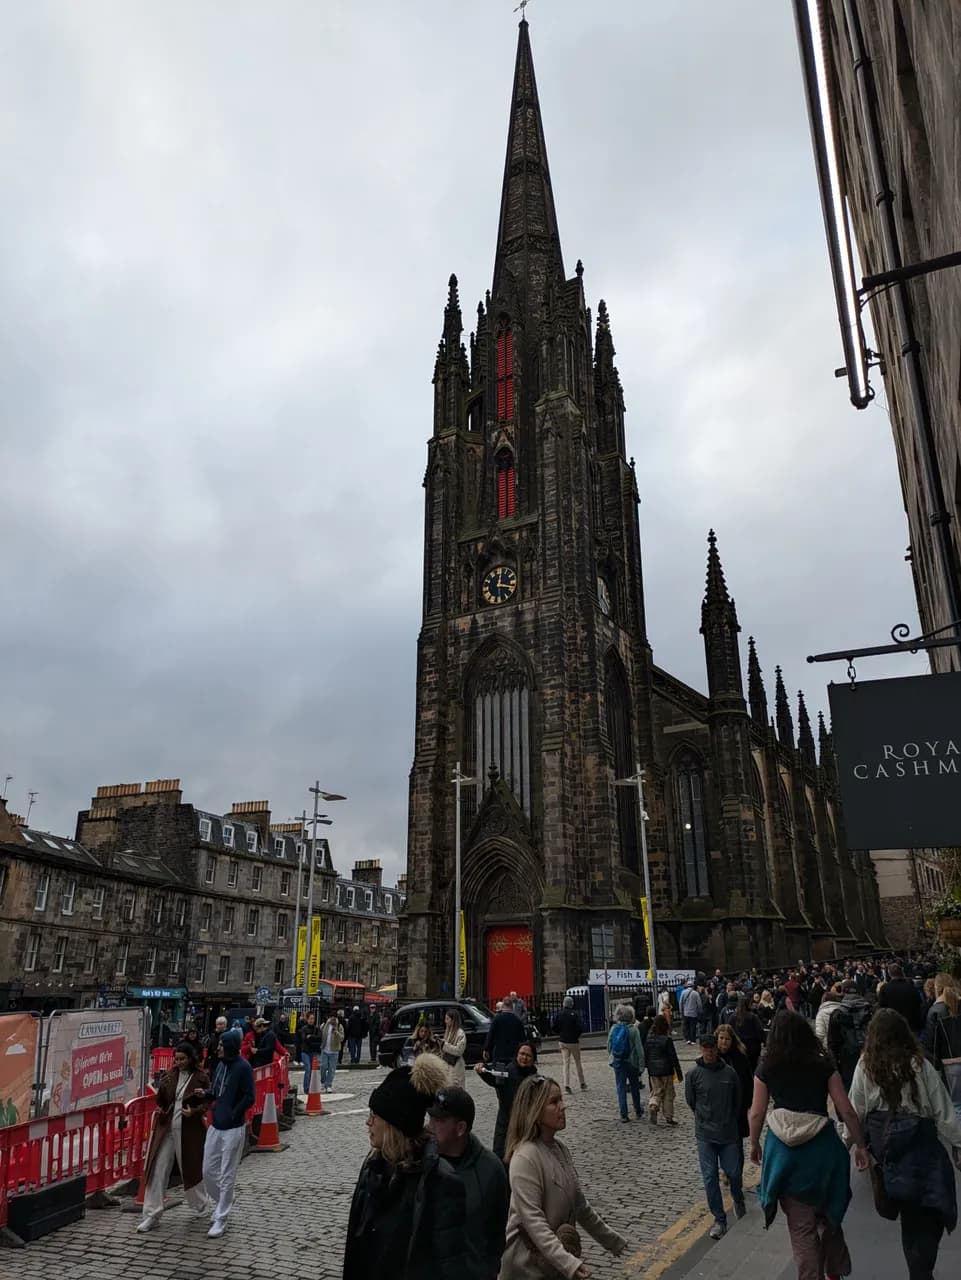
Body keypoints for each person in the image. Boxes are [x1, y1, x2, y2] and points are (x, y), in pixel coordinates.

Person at [750, 1010, 867, 1280]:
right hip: (823, 1150)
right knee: (829, 1215)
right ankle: (834, 1270)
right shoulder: (822, 1063)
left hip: (786, 1156)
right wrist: (860, 1144)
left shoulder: (766, 1067)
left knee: (801, 1229)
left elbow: (756, 1112)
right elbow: (845, 1108)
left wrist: (754, 1143)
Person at [849, 1008, 961, 1280]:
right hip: (922, 1151)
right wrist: (958, 1143)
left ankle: (919, 1268)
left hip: (889, 1156)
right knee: (930, 1210)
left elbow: (855, 1109)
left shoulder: (865, 1065)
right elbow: (943, 1112)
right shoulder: (919, 1064)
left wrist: (854, 1145)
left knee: (910, 1218)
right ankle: (921, 1269)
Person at [343, 1055, 466, 1279]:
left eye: (374, 1116)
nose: (368, 1123)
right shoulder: (372, 1166)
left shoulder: (440, 1181)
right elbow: (356, 1245)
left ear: (394, 1125)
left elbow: (448, 1265)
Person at [499, 1075, 627, 1278]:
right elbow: (533, 1221)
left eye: (561, 1099)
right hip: (526, 1268)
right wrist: (569, 1264)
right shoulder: (525, 1157)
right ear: (535, 1110)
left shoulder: (560, 1149)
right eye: (554, 1102)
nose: (563, 1106)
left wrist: (611, 1240)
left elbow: (580, 1205)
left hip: (551, 1265)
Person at [428, 1086, 509, 1280]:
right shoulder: (422, 1163)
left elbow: (497, 1231)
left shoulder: (491, 1169)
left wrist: (487, 1269)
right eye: (430, 1118)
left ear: (460, 1128)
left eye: (439, 1120)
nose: (430, 1125)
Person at [137, 1041, 211, 1232]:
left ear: (190, 1058)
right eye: (176, 1059)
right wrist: (162, 1087)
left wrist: (194, 1111)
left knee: (191, 1167)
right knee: (158, 1168)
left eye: (182, 1059)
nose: (179, 1062)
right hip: (167, 1128)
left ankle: (201, 1204)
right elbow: (162, 1101)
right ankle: (152, 1213)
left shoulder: (201, 1077)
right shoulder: (170, 1076)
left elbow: (207, 1102)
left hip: (188, 1129)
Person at [685, 1032, 745, 1240]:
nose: (708, 1053)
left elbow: (738, 1101)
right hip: (705, 1135)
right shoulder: (693, 1075)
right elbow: (691, 1101)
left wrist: (729, 1119)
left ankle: (737, 1197)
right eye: (705, 1049)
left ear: (716, 1050)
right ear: (701, 1049)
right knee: (710, 1178)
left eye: (711, 1049)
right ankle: (719, 1219)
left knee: (734, 1173)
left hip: (728, 1133)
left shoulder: (730, 1074)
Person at [197, 1029, 255, 1239]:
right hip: (216, 1123)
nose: (218, 1048)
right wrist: (207, 1094)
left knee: (227, 1172)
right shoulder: (220, 1065)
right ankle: (224, 1200)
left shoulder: (244, 1068)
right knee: (208, 1169)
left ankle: (221, 1216)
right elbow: (217, 1089)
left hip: (232, 1126)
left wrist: (234, 1113)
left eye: (222, 1045)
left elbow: (249, 1096)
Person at [475, 1042, 539, 1159]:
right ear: (517, 1055)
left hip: (526, 1125)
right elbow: (493, 1076)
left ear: (533, 1058)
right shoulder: (507, 1071)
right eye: (522, 1054)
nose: (524, 1058)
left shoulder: (535, 1078)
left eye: (528, 1055)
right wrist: (482, 1068)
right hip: (506, 1125)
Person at [716, 1023, 753, 1174]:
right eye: (721, 1038)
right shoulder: (713, 1058)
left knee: (736, 1144)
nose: (724, 1042)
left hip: (737, 1109)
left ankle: (736, 1175)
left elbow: (748, 1082)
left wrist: (746, 1104)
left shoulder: (740, 1058)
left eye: (727, 1039)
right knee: (721, 1144)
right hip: (718, 1110)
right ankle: (725, 1170)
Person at [827, 979, 874, 1089]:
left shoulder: (836, 1014)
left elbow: (832, 1044)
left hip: (847, 1058)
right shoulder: (871, 1010)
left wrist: (837, 1068)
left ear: (843, 993)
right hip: (871, 1054)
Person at [608, 1003, 645, 1123]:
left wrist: (614, 1056)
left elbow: (609, 1046)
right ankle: (638, 1110)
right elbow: (640, 1049)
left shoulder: (614, 1028)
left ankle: (624, 1114)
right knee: (634, 1086)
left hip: (618, 1062)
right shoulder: (633, 1030)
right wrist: (641, 1064)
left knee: (620, 1087)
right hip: (632, 1062)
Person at [644, 1013, 682, 1127]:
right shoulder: (667, 1040)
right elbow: (673, 1057)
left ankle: (653, 1106)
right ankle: (669, 1117)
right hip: (666, 1070)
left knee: (656, 1092)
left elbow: (646, 1055)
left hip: (653, 1071)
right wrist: (678, 1072)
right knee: (668, 1095)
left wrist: (648, 1068)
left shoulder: (648, 1039)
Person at [552, 996, 586, 1094]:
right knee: (578, 1062)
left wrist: (560, 1033)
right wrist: (576, 1035)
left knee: (565, 1063)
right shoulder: (575, 1014)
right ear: (571, 1004)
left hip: (563, 1041)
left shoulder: (559, 1014)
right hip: (573, 1041)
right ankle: (582, 1082)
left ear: (563, 1003)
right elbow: (580, 1027)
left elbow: (554, 1027)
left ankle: (566, 1084)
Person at [878, 962, 924, 1033]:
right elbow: (919, 1003)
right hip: (912, 1024)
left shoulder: (885, 989)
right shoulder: (910, 986)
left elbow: (882, 1008)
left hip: (894, 1026)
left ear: (889, 974)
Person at [485, 997, 526, 1070]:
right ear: (512, 1006)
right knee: (513, 1075)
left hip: (499, 1054)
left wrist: (487, 1049)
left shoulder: (497, 1019)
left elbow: (491, 1035)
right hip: (513, 1054)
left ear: (503, 1006)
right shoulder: (517, 1020)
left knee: (499, 1077)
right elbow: (523, 1038)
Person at [726, 994, 764, 1071]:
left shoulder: (733, 1017)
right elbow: (760, 1032)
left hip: (738, 1047)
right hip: (753, 1048)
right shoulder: (753, 1017)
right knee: (753, 1068)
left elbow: (729, 1030)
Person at [296, 1012, 322, 1094]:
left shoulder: (317, 1029)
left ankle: (311, 1086)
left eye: (313, 1018)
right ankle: (306, 1088)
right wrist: (312, 1039)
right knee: (308, 1069)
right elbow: (305, 1039)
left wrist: (311, 1037)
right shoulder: (304, 1029)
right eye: (310, 1018)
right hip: (305, 1051)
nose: (311, 1020)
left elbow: (320, 1039)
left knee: (312, 1070)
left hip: (314, 1051)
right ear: (307, 1019)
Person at [441, 1008, 468, 1086]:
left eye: (447, 1019)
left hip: (456, 1066)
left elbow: (459, 1051)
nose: (445, 1021)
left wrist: (444, 1044)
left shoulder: (460, 1033)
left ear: (453, 1020)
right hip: (447, 1065)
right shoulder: (448, 1031)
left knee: (456, 1088)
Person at [319, 1011, 344, 1091]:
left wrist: (336, 1032)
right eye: (331, 1018)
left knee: (331, 1069)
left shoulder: (339, 1026)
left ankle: (328, 1085)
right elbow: (320, 1034)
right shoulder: (324, 1025)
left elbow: (342, 1038)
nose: (332, 1020)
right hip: (325, 1049)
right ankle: (323, 1082)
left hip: (334, 1051)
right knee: (323, 1066)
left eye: (334, 1019)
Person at [814, 983, 843, 1048]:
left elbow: (820, 1033)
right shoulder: (842, 1010)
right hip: (842, 1044)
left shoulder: (821, 1013)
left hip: (828, 1045)